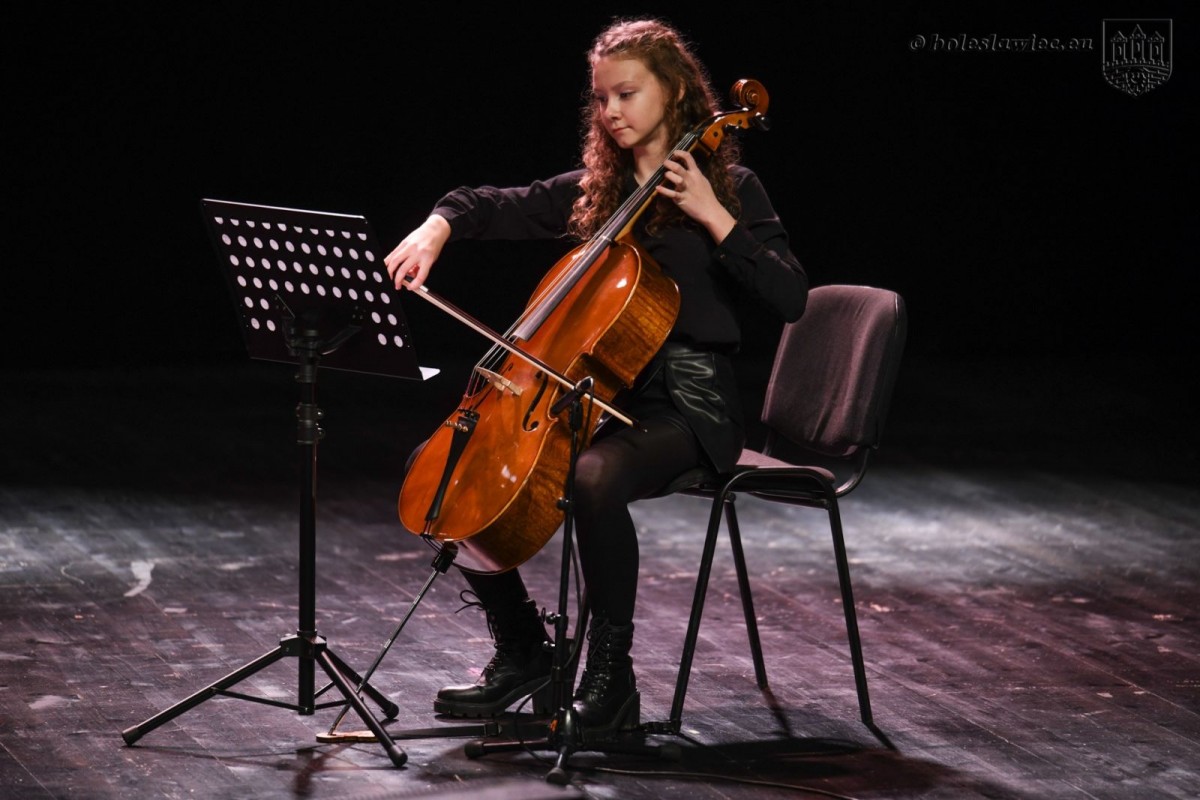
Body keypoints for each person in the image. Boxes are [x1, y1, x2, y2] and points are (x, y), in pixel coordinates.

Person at [385, 17, 808, 738]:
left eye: (626, 94)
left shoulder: (732, 184)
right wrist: (437, 226)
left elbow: (791, 295)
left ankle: (612, 682)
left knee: (591, 479)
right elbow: (491, 204)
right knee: (446, 472)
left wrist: (713, 217)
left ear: (675, 90)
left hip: (688, 405)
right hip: (599, 398)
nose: (610, 111)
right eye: (601, 98)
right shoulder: (599, 192)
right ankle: (524, 652)